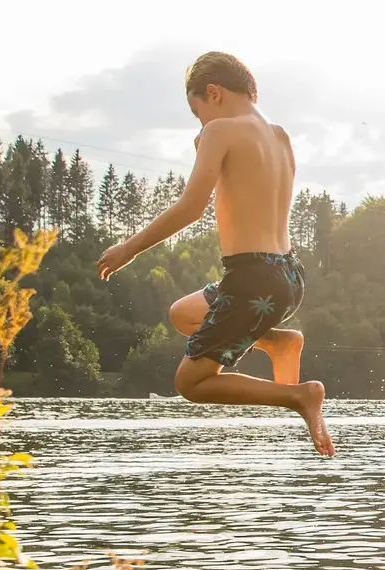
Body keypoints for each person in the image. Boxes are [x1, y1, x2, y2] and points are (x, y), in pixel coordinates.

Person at [96, 52, 334, 457]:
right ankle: (278, 342)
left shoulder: (220, 131)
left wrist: (129, 249)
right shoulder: (279, 136)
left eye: (197, 111)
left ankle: (299, 396)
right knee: (183, 314)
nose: (201, 123)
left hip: (252, 277)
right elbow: (247, 191)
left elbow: (191, 208)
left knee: (190, 383)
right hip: (288, 275)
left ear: (214, 93)